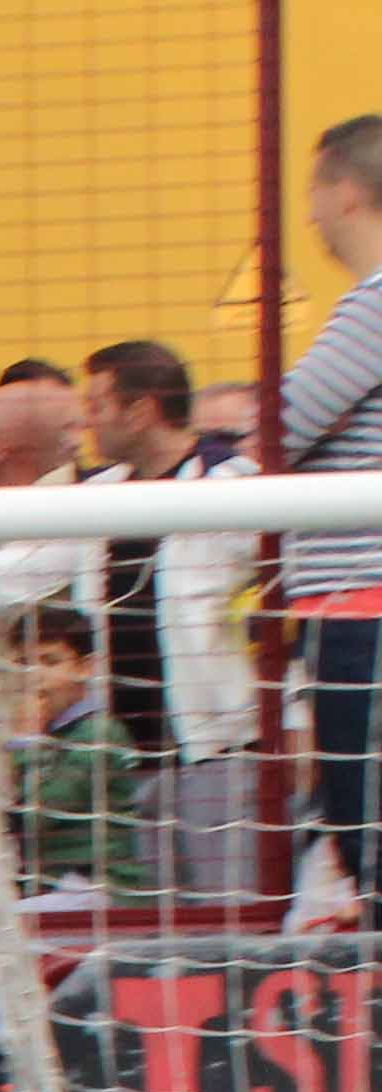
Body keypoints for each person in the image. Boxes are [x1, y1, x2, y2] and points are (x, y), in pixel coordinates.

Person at [59, 339, 265, 895]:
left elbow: (289, 595)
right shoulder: (94, 496)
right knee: (148, 935)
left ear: (141, 408)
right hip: (127, 760)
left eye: (97, 404)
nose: (85, 420)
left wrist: (294, 711)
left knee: (232, 923)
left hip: (217, 754)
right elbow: (7, 572)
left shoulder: (233, 487)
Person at [293, 116, 382, 926]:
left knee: (369, 834)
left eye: (316, 190)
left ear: (347, 190)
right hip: (350, 610)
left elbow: (286, 420)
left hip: (364, 613)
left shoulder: (377, 304)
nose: (310, 211)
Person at [10, 601, 156, 894]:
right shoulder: (49, 732)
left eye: (50, 662)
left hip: (101, 889)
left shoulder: (99, 732)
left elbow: (37, 814)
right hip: (53, 887)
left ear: (86, 668)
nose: (35, 675)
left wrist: (26, 742)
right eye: (25, 663)